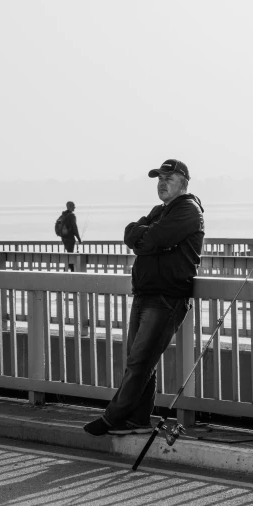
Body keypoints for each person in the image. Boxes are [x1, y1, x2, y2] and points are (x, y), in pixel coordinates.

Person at [84, 159, 204, 436]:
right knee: (140, 361)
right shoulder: (159, 210)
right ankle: (138, 420)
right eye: (159, 178)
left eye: (169, 178)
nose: (162, 183)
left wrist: (145, 239)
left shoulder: (188, 210)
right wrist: (144, 237)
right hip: (145, 294)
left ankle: (113, 417)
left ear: (184, 182)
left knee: (139, 361)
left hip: (167, 297)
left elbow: (149, 240)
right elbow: (131, 233)